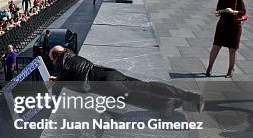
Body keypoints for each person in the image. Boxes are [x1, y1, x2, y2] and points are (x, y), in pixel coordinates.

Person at [49, 45, 204, 114]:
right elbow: (71, 74)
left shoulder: (62, 65)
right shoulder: (73, 56)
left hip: (107, 86)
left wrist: (52, 87)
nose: (53, 63)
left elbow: (57, 88)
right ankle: (191, 96)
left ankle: (178, 103)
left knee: (140, 97)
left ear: (56, 58)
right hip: (110, 74)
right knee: (147, 87)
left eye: (52, 60)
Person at [207, 0, 247, 78]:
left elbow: (243, 12)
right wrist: (221, 11)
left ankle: (230, 70)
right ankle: (209, 67)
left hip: (234, 27)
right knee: (215, 47)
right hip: (222, 26)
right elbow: (218, 11)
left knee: (232, 49)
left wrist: (232, 11)